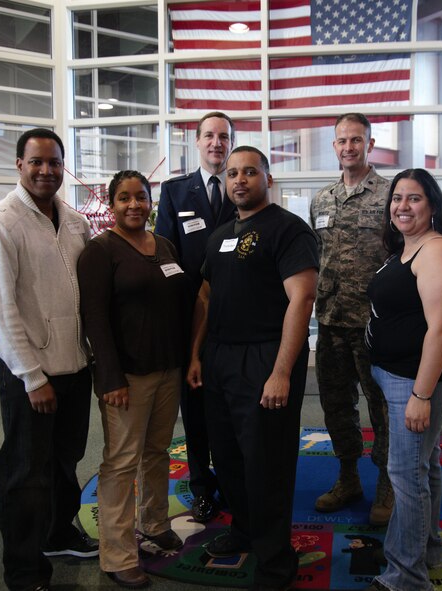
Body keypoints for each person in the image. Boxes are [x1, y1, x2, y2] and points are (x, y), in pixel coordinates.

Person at [186, 146, 318, 591]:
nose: (240, 180)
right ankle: (244, 529)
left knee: (267, 462)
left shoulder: (289, 230)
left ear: (267, 177)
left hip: (266, 358)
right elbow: (206, 296)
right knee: (227, 456)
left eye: (249, 172)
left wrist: (281, 370)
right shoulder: (219, 234)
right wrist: (195, 356)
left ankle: (276, 560)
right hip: (220, 358)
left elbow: (301, 299)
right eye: (232, 173)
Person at [0, 128, 98, 591]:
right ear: (19, 165)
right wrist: (30, 376)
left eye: (54, 162)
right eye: (36, 162)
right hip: (32, 374)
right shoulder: (1, 223)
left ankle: (58, 533)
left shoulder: (74, 221)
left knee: (65, 461)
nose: (46, 170)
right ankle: (24, 571)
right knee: (25, 473)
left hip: (74, 367)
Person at [363, 169, 442, 591]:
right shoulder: (408, 247)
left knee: (405, 475)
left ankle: (405, 577)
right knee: (422, 466)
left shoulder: (434, 251)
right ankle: (425, 550)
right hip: (398, 376)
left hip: (417, 382)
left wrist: (420, 394)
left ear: (432, 205)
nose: (402, 206)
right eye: (397, 198)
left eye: (414, 198)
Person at [78, 171, 192, 589]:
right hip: (124, 376)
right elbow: (94, 319)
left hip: (167, 369)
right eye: (124, 198)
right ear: (111, 205)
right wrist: (109, 376)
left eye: (141, 197)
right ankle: (118, 554)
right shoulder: (99, 251)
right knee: (122, 462)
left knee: (157, 451)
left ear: (150, 202)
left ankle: (155, 522)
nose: (133, 205)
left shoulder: (162, 245)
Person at [310, 113, 392, 526]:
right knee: (337, 405)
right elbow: (317, 257)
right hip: (330, 320)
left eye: (355, 141)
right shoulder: (321, 199)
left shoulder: (390, 194)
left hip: (375, 324)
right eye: (341, 141)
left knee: (381, 407)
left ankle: (386, 483)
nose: (348, 148)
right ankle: (348, 478)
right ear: (334, 145)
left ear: (369, 144)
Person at [155, 111, 237, 523]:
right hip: (191, 322)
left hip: (238, 320)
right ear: (197, 142)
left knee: (231, 408)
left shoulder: (243, 187)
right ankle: (202, 485)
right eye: (209, 136)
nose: (216, 143)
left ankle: (235, 482)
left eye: (224, 136)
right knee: (197, 409)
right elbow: (164, 257)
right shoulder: (174, 192)